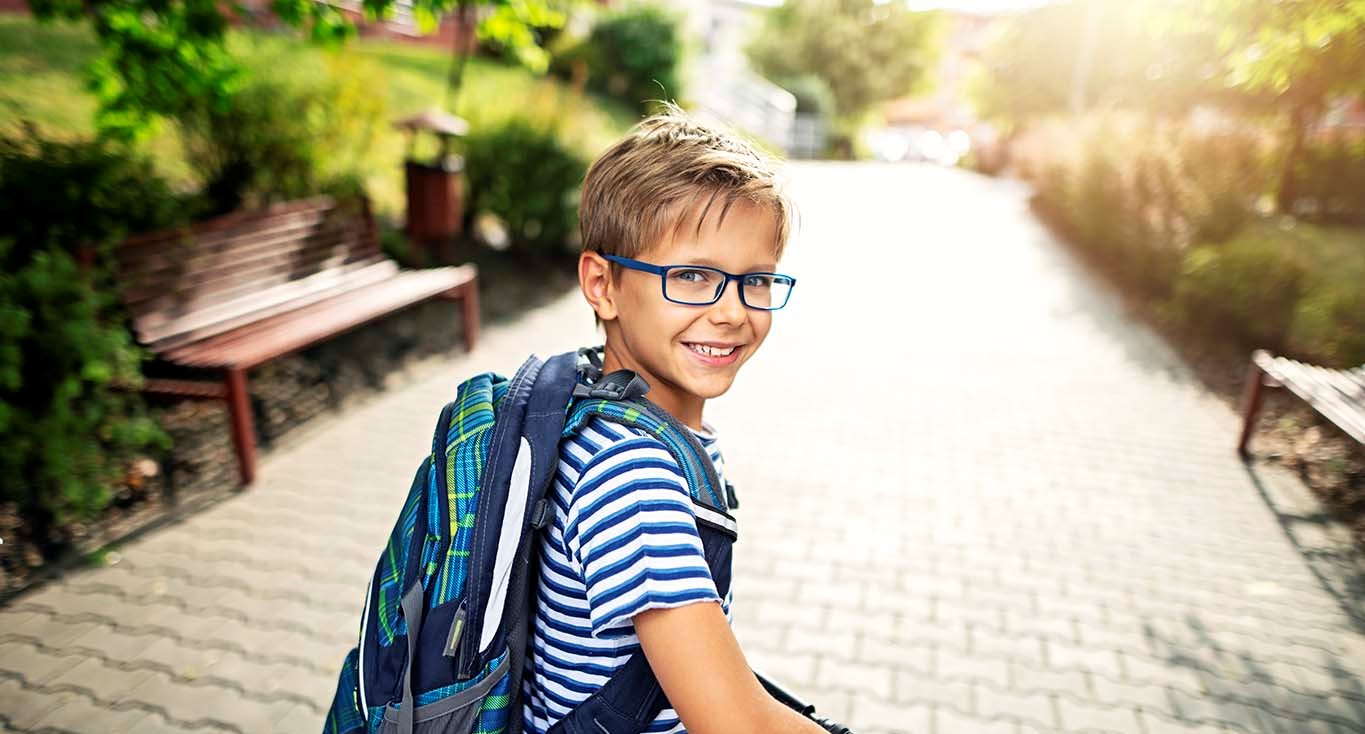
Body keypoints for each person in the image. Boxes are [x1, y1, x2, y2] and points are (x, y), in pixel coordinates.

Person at [520, 105, 826, 734]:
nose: (732, 312)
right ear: (602, 284)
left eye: (757, 281)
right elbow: (734, 723)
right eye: (691, 276)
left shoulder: (604, 410)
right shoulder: (631, 471)